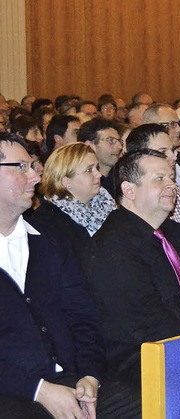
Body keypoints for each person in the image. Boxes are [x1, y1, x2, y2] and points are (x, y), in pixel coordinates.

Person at [0, 133, 135, 418]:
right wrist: (39, 390)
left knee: (148, 403)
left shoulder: (48, 241)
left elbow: (83, 316)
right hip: (13, 389)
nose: (35, 178)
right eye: (21, 167)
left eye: (32, 167)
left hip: (71, 377)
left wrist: (90, 376)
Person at [86, 149, 180, 405]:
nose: (171, 185)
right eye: (159, 179)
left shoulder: (177, 233)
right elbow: (143, 325)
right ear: (129, 190)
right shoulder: (112, 246)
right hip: (143, 364)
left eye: (171, 178)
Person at [32, 143, 116, 272]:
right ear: (66, 182)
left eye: (97, 168)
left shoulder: (108, 203)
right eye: (89, 170)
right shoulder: (47, 221)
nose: (98, 174)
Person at [125, 123, 180, 231]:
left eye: (172, 150)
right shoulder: (131, 202)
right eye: (162, 152)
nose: (173, 157)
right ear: (138, 157)